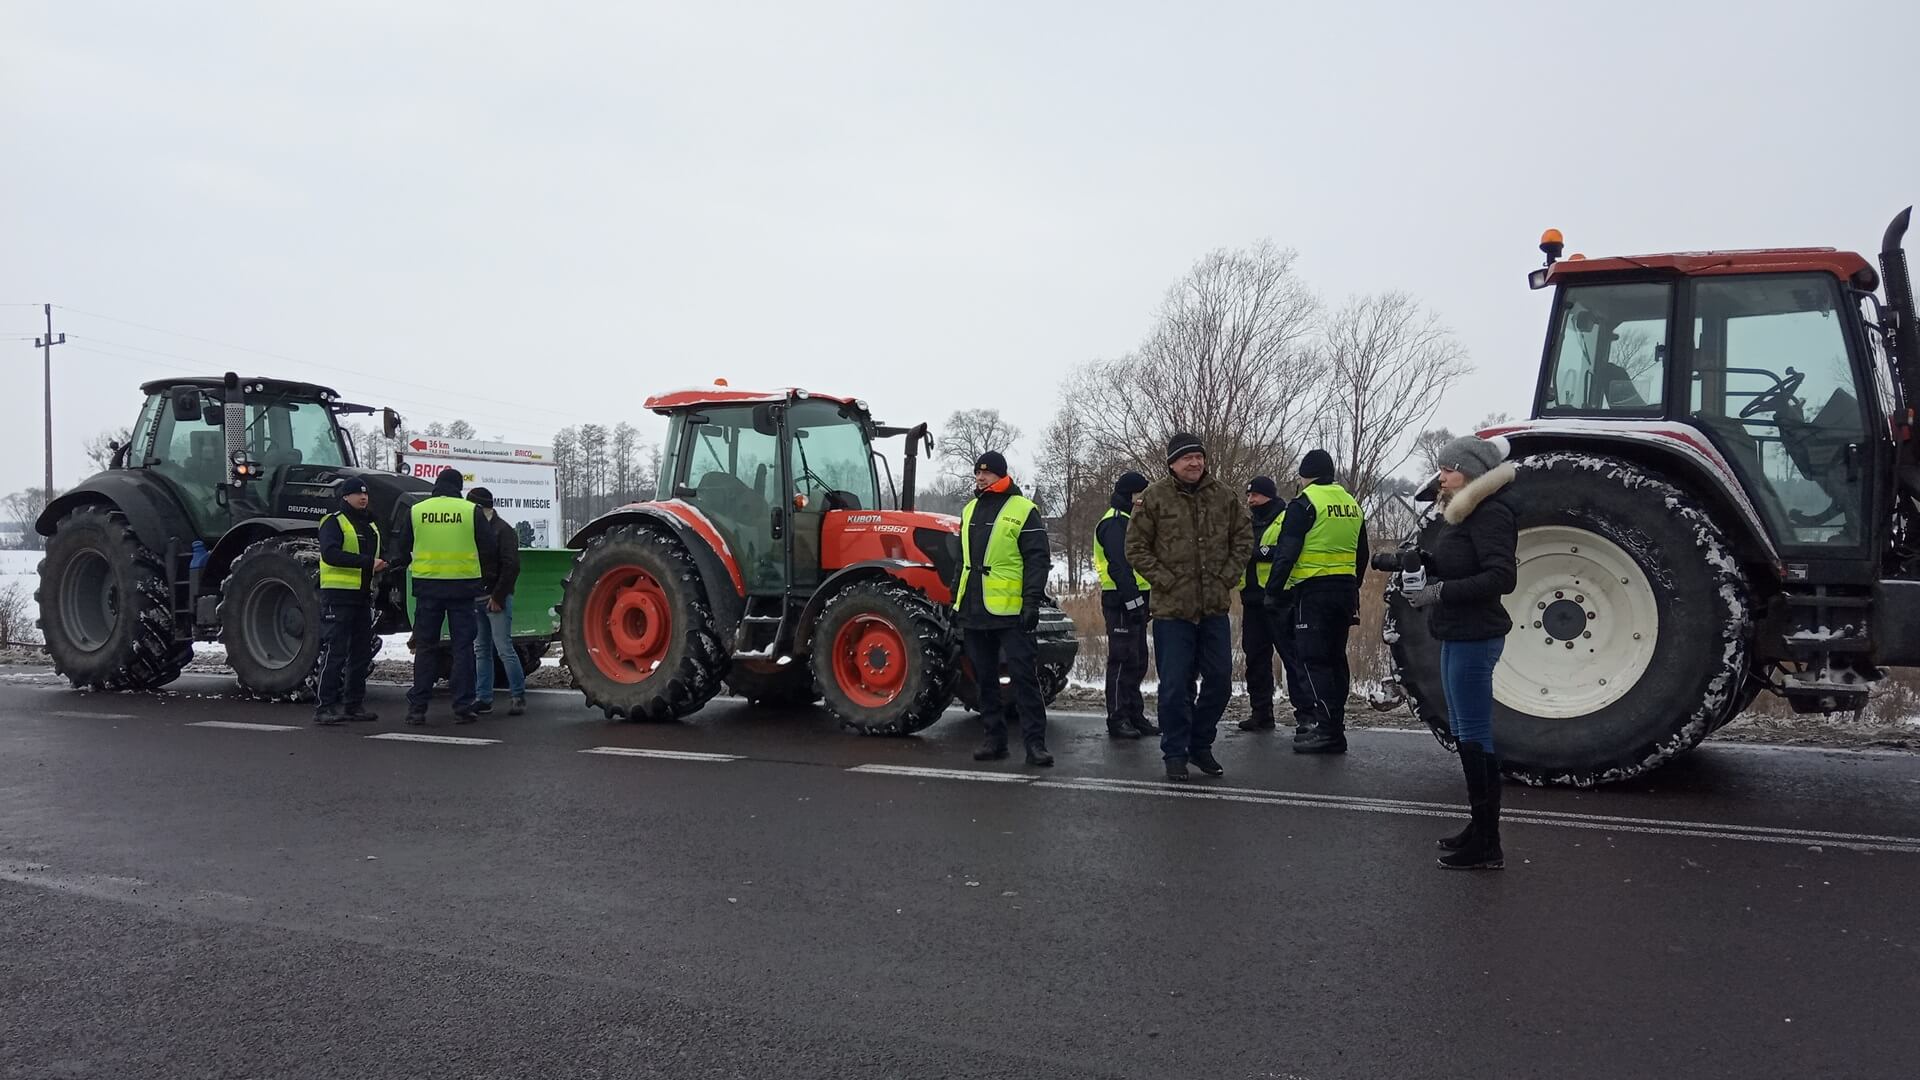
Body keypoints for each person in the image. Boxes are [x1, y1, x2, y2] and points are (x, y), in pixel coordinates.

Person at [1405, 435, 1517, 870]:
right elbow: (1462, 563)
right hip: (1457, 633)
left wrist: (1438, 592)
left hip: (1476, 635)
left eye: (1448, 469)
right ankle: (1479, 827)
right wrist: (1423, 563)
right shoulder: (1464, 514)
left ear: (1471, 471)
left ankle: (1488, 844)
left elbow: (1500, 578)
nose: (1442, 475)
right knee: (1463, 729)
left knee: (1473, 733)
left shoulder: (1492, 514)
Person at [1126, 433, 1252, 782]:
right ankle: (1175, 752)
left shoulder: (1224, 496)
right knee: (1175, 686)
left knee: (1220, 682)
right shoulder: (1153, 498)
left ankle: (1200, 743)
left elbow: (1243, 538)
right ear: (1172, 463)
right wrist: (1165, 580)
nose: (1195, 463)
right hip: (1172, 612)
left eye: (1199, 457)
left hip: (1213, 608)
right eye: (1187, 458)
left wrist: (1227, 575)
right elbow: (1135, 548)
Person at [1263, 449, 1368, 754]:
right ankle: (1336, 728)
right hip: (1345, 591)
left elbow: (1287, 551)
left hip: (1312, 593)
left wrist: (1273, 592)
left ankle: (1326, 730)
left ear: (1305, 475)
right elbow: (1362, 554)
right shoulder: (1351, 504)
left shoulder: (1305, 503)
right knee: (1336, 659)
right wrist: (1353, 586)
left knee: (1314, 660)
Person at [954, 451, 1054, 767]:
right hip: (974, 609)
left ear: (1002, 475)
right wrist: (955, 601)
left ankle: (1035, 744)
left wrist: (1031, 602)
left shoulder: (1024, 510)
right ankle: (994, 740)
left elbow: (1038, 560)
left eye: (987, 473)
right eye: (977, 473)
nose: (981, 478)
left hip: (1012, 613)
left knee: (1024, 678)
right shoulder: (969, 510)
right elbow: (961, 561)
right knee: (984, 679)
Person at [389, 467, 489, 725]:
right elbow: (488, 548)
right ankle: (463, 706)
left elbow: (402, 549)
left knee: (425, 648)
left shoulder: (418, 511)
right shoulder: (470, 511)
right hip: (463, 589)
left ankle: (417, 708)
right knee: (463, 649)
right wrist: (484, 582)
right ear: (458, 487)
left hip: (428, 589)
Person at [313, 476, 387, 725]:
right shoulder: (334, 522)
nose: (363, 497)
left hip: (362, 596)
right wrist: (368, 563)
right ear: (346, 497)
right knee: (335, 652)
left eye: (365, 494)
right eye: (357, 494)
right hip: (338, 596)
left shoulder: (371, 525)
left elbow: (375, 555)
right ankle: (324, 707)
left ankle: (353, 704)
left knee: (361, 653)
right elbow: (330, 554)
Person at [1093, 471, 1155, 739]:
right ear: (1132, 495)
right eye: (1141, 494)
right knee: (1121, 659)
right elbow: (1120, 566)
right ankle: (1117, 718)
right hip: (1120, 600)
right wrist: (1132, 601)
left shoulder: (1131, 520)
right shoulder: (1115, 523)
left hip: (1137, 598)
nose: (1144, 500)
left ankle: (1134, 714)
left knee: (1138, 660)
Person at [468, 487, 526, 717]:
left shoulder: (503, 531)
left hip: (495, 598)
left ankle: (517, 696)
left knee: (503, 648)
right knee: (482, 649)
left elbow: (511, 566)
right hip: (478, 596)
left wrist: (498, 596)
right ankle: (484, 698)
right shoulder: (485, 530)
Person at [1237, 476, 1287, 732]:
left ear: (1268, 495)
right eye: (1248, 496)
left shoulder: (1285, 517)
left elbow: (1286, 551)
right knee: (1255, 659)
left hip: (1280, 599)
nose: (1250, 500)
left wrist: (1258, 553)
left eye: (1255, 495)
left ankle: (1307, 717)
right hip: (1253, 601)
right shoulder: (1247, 522)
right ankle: (1261, 713)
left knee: (1292, 658)